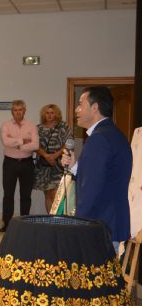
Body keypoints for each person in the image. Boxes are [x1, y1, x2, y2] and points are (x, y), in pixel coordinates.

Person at [62, 86, 133, 252]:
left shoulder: (99, 138)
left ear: (94, 107)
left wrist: (78, 223)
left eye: (80, 104)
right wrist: (75, 167)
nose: (76, 109)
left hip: (99, 224)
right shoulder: (112, 133)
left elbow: (91, 189)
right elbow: (103, 177)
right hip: (109, 222)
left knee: (95, 277)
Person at [0, 100, 39, 232]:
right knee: (8, 195)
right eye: (15, 110)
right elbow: (5, 142)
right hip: (10, 163)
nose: (18, 112)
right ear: (12, 111)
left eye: (20, 109)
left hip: (27, 164)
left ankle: (25, 223)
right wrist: (24, 141)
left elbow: (35, 145)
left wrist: (15, 143)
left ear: (24, 111)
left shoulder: (31, 126)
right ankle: (6, 224)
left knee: (26, 195)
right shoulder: (6, 125)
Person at [34, 104, 71, 213]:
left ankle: (58, 219)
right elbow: (35, 145)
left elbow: (69, 143)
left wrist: (55, 155)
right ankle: (50, 219)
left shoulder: (63, 126)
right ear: (43, 114)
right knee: (47, 194)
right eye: (47, 113)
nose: (49, 115)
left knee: (56, 194)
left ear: (56, 114)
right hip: (43, 167)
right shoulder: (38, 128)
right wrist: (46, 155)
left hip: (58, 165)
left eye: (52, 112)